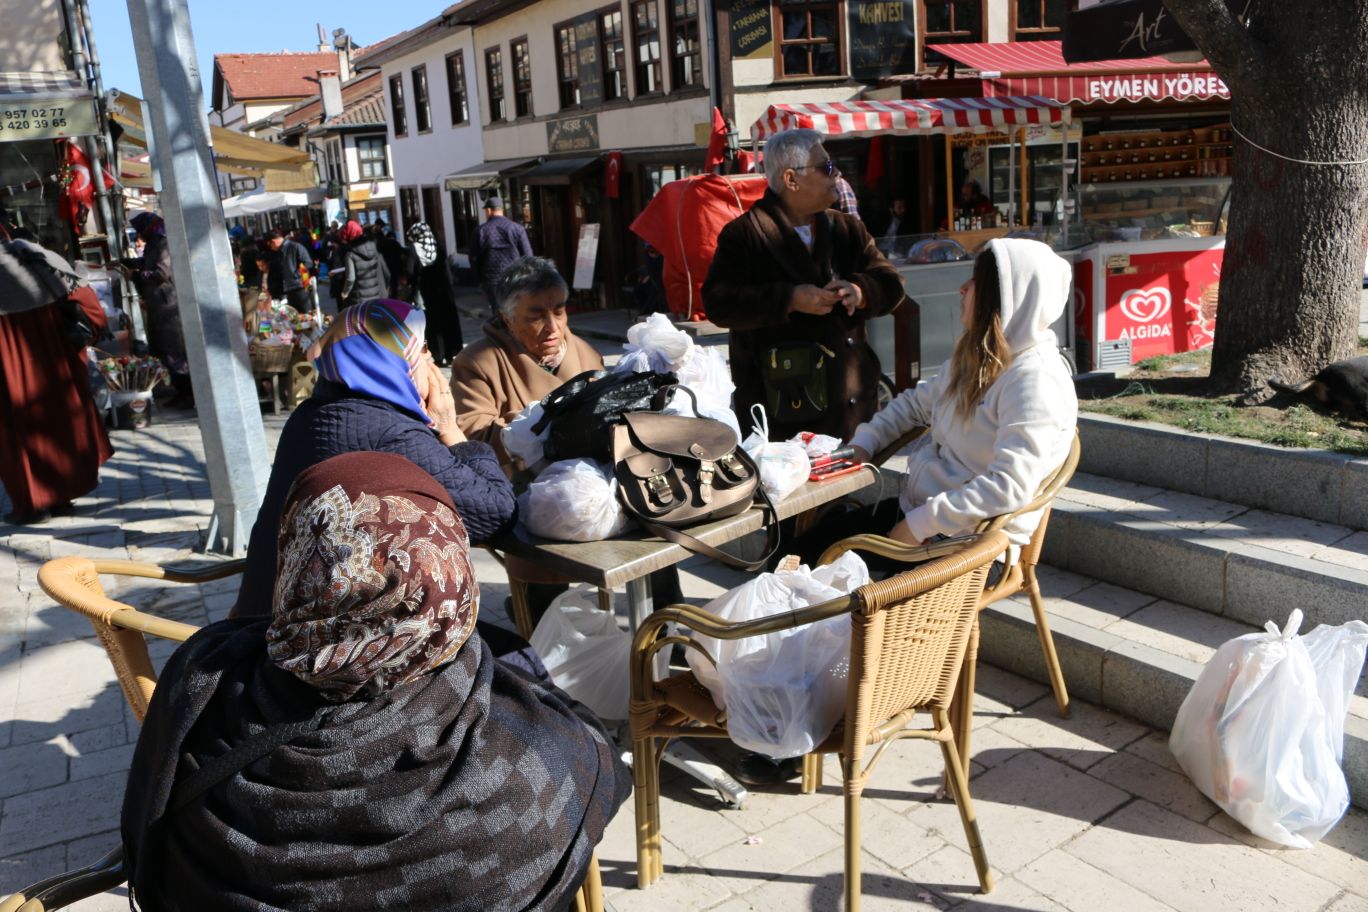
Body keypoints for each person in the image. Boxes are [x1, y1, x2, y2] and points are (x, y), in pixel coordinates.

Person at [123, 450, 630, 912]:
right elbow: (600, 776)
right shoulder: (527, 767)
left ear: (300, 555)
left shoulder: (203, 674)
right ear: (452, 576)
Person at [232, 298, 516, 619]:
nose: (431, 359)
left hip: (262, 614)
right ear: (391, 360)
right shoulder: (388, 432)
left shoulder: (311, 413)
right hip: (308, 642)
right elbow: (496, 511)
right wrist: (450, 428)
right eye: (421, 348)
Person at [802, 238, 1078, 562]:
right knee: (798, 553)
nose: (963, 288)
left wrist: (917, 526)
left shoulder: (1034, 380)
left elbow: (1008, 487)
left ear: (1006, 298)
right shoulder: (980, 357)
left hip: (967, 550)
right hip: (928, 519)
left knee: (818, 581)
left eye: (976, 282)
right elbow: (914, 405)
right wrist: (865, 442)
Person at [701, 128, 905, 441]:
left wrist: (861, 291)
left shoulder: (846, 228)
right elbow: (718, 302)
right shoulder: (744, 234)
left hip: (850, 409)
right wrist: (789, 299)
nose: (836, 175)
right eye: (825, 168)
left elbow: (891, 282)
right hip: (782, 411)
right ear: (790, 179)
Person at [0, 230, 114, 525]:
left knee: (17, 435)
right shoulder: (36, 258)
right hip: (54, 365)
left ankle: (33, 505)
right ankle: (63, 497)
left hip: (7, 374)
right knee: (60, 425)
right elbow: (89, 305)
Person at [449, 256, 602, 469]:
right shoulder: (476, 363)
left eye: (559, 311)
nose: (553, 326)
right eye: (536, 317)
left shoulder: (587, 353)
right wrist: (541, 424)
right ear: (507, 319)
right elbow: (475, 436)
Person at [120, 212, 193, 409]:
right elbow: (146, 263)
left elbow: (161, 273)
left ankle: (189, 394)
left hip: (169, 307)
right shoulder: (154, 243)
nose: (139, 234)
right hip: (157, 307)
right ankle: (181, 391)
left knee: (175, 351)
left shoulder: (163, 243)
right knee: (163, 351)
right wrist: (126, 263)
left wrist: (136, 276)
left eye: (140, 230)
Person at [400, 220, 464, 365]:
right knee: (446, 321)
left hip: (425, 291)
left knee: (431, 324)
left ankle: (438, 356)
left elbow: (410, 271)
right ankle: (450, 354)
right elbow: (447, 271)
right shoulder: (438, 247)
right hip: (443, 290)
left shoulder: (414, 249)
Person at [469, 196, 533, 317]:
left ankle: (502, 333)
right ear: (501, 210)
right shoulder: (517, 228)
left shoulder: (480, 231)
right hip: (515, 277)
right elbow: (528, 254)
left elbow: (474, 258)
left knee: (498, 311)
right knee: (517, 309)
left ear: (488, 211)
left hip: (491, 279)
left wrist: (478, 281)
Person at [337, 218, 390, 309]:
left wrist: (344, 293)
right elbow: (386, 272)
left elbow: (351, 278)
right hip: (376, 296)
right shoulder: (374, 248)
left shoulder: (350, 254)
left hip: (360, 300)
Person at [265, 227, 313, 312]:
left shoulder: (295, 247)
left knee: (306, 313)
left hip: (300, 288)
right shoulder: (277, 253)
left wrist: (296, 275)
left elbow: (308, 263)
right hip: (287, 290)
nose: (271, 247)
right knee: (294, 317)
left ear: (273, 241)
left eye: (270, 245)